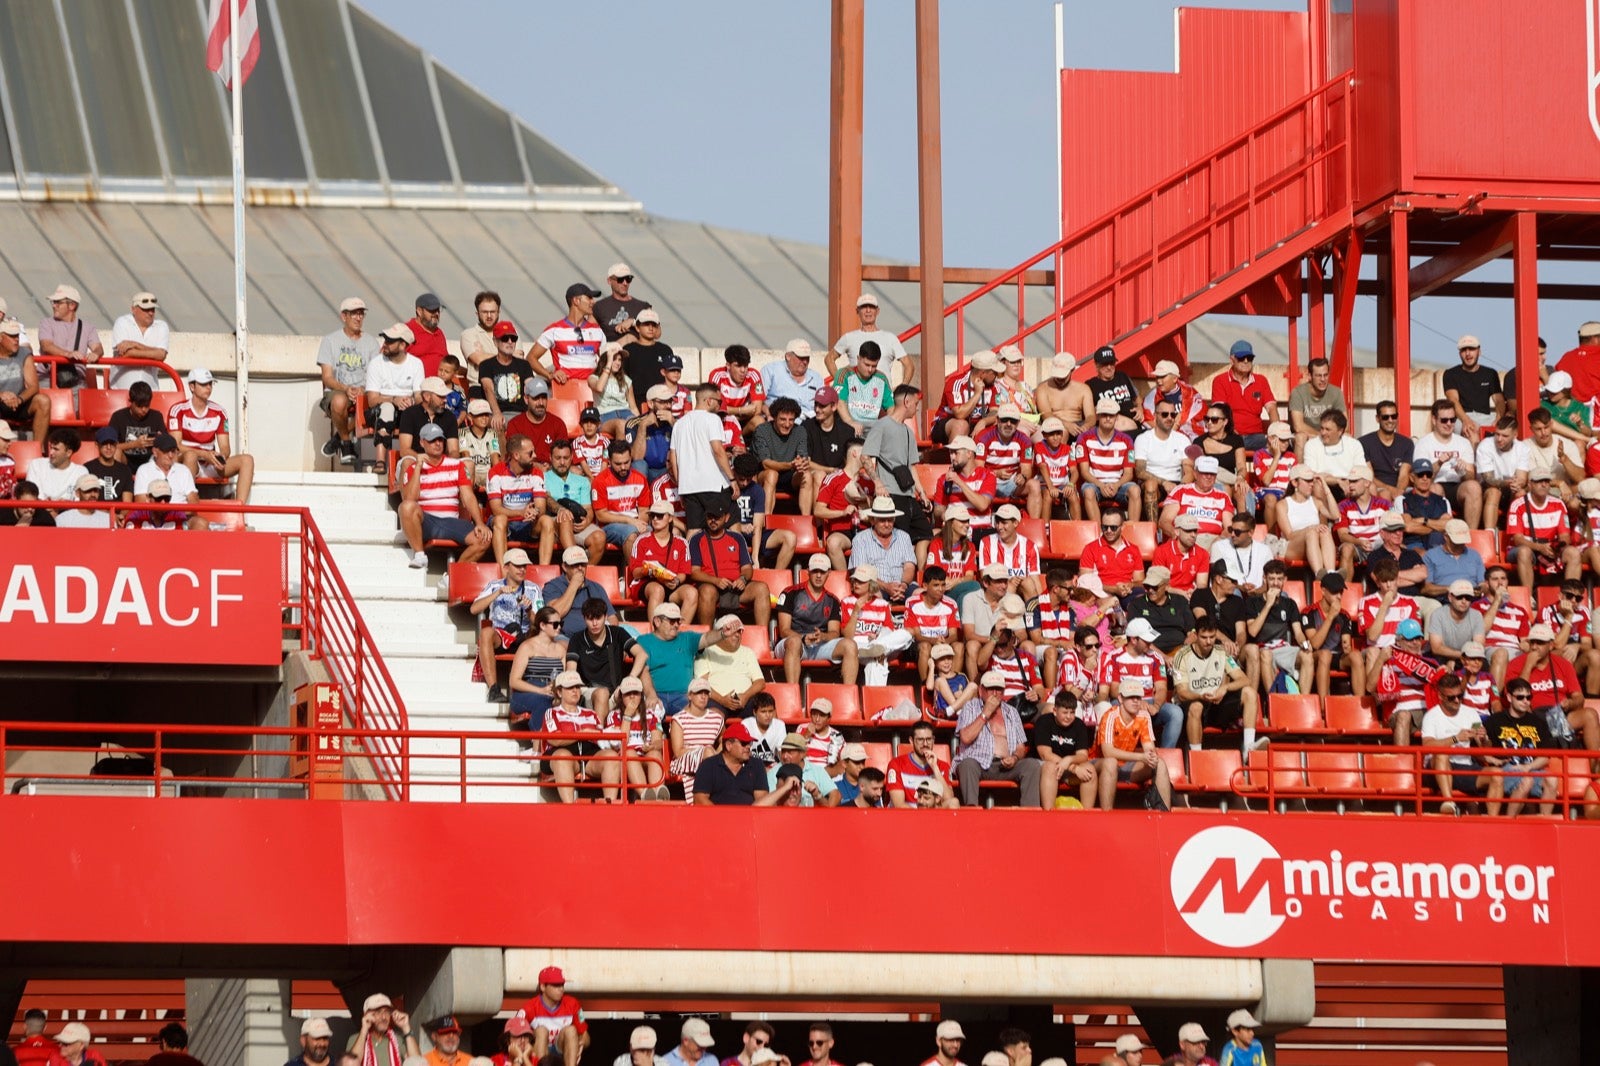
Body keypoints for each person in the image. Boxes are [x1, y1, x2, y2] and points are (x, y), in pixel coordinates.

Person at [397, 423, 490, 568]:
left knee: (484, 539)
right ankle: (420, 555)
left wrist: (479, 523)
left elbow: (468, 496)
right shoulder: (413, 468)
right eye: (432, 440)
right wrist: (418, 468)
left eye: (440, 440)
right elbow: (410, 499)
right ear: (422, 442)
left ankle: (453, 575)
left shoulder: (457, 465)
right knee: (406, 507)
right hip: (427, 521)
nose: (437, 443)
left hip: (451, 521)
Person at [166, 367, 255, 503]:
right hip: (187, 462)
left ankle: (239, 511)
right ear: (192, 387)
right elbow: (175, 446)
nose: (208, 387)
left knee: (247, 460)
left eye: (210, 384)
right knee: (191, 456)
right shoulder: (178, 410)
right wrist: (203, 454)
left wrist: (221, 457)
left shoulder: (219, 412)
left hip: (210, 463)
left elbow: (225, 447)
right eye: (203, 384)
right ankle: (186, 510)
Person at [1172, 617, 1259, 751]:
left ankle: (1249, 748)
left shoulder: (1221, 652)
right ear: (1195, 635)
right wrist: (1201, 696)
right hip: (1192, 703)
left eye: (1212, 637)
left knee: (1250, 693)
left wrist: (1225, 688)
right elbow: (1182, 693)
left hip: (1215, 702)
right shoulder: (1182, 656)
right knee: (1196, 707)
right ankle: (1196, 754)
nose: (1208, 642)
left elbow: (1244, 679)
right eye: (1204, 637)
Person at [1481, 679, 1558, 818]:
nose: (1525, 701)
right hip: (1506, 770)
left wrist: (1528, 767)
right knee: (1526, 780)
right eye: (1520, 697)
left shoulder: (1538, 722)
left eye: (1528, 697)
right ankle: (1510, 821)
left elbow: (1546, 757)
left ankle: (1545, 820)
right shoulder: (1495, 720)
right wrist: (1493, 760)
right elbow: (1482, 751)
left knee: (1552, 779)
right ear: (1509, 697)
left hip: (1531, 769)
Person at [775, 554, 857, 683]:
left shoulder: (833, 600)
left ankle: (848, 694)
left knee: (850, 645)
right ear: (808, 571)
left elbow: (835, 632)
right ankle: (792, 692)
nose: (819, 575)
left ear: (829, 573)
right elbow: (784, 630)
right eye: (815, 571)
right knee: (793, 643)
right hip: (792, 643)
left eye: (822, 572)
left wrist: (823, 636)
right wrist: (803, 638)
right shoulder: (790, 593)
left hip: (820, 645)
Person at [316, 297, 379, 464]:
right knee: (338, 401)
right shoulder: (330, 341)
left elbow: (377, 374)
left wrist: (364, 389)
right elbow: (327, 377)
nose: (358, 318)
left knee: (375, 403)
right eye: (354, 314)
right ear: (344, 317)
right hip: (339, 389)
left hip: (365, 391)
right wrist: (345, 388)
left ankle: (339, 439)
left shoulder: (371, 343)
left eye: (361, 314)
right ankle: (345, 441)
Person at [473, 549, 540, 703]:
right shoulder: (494, 585)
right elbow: (474, 609)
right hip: (501, 636)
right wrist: (497, 594)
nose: (522, 570)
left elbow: (541, 623)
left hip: (525, 637)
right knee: (485, 633)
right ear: (506, 567)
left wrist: (529, 610)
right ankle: (494, 689)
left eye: (525, 566)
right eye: (518, 566)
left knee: (539, 634)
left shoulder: (533, 589)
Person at [1095, 680, 1174, 810]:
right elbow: (1108, 752)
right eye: (1131, 697)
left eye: (1138, 697)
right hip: (1101, 764)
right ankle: (1106, 814)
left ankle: (1163, 813)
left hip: (1126, 766)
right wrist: (1141, 757)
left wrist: (1151, 757)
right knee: (1111, 763)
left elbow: (1149, 748)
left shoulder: (1143, 716)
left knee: (1159, 763)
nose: (1135, 701)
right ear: (1120, 698)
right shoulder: (1110, 716)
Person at [672, 383, 736, 527]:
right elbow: (718, 450)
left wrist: (680, 486)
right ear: (709, 401)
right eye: (719, 401)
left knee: (694, 529)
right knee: (729, 525)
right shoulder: (713, 419)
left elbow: (673, 458)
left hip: (688, 487)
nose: (720, 405)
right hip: (713, 485)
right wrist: (732, 479)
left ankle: (689, 551)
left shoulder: (679, 424)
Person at [1412, 400, 1481, 527]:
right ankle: (1436, 535)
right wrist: (1439, 463)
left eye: (1452, 420)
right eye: (1444, 420)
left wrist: (1462, 471)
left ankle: (1472, 535)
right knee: (1433, 489)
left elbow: (1471, 477)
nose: (1449, 424)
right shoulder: (1423, 443)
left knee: (1474, 487)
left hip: (1457, 487)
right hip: (1434, 484)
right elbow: (1421, 478)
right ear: (1434, 420)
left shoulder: (1463, 443)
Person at [1508, 465, 1581, 587]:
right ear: (1530, 484)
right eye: (1539, 481)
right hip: (1526, 547)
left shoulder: (1558, 504)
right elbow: (1517, 539)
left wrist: (1557, 547)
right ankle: (1528, 597)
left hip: (1551, 548)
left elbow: (1565, 536)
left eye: (1546, 481)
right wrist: (1539, 547)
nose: (1544, 484)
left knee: (1573, 553)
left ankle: (1571, 594)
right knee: (1524, 552)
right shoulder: (1518, 505)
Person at [1075, 398, 1139, 523]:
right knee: (1088, 490)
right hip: (1095, 483)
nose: (1108, 418)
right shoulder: (1084, 438)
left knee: (1135, 490)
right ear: (1098, 416)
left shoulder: (1126, 440)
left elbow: (1128, 473)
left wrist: (1116, 485)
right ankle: (1098, 531)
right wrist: (1101, 485)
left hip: (1119, 484)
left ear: (1116, 417)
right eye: (1104, 415)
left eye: (1111, 415)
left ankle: (1133, 531)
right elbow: (1084, 472)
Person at [830, 292, 914, 385]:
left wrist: (901, 388)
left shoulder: (890, 338)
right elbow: (829, 359)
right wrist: (842, 382)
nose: (868, 310)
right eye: (864, 307)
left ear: (877, 311)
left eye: (871, 307)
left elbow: (909, 365)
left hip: (883, 396)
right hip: (856, 396)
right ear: (857, 311)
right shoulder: (848, 337)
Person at [629, 500, 695, 618]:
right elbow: (635, 572)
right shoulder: (642, 540)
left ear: (670, 518)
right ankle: (655, 633)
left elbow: (683, 573)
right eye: (652, 515)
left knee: (692, 592)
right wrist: (649, 570)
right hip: (648, 584)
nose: (655, 519)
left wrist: (676, 582)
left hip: (671, 585)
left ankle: (681, 631)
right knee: (657, 590)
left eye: (659, 515)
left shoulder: (681, 543)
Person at [529, 283, 605, 384]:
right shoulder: (554, 330)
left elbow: (607, 361)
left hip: (592, 390)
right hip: (565, 389)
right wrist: (549, 375)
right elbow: (531, 358)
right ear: (576, 301)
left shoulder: (597, 331)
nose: (593, 302)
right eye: (589, 298)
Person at [1033, 690, 1098, 809]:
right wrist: (1073, 767)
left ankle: (1087, 815)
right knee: (1050, 767)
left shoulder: (1079, 725)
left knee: (1090, 770)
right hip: (1045, 767)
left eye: (1072, 712)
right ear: (1054, 711)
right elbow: (1045, 755)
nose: (1068, 717)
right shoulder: (1044, 722)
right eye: (1065, 712)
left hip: (1067, 768)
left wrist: (1069, 760)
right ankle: (1049, 813)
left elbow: (1083, 755)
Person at [514, 966, 589, 1066]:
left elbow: (586, 1037)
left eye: (562, 985)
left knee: (571, 1030)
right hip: (538, 1051)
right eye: (556, 985)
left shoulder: (573, 1004)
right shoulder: (529, 1008)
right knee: (541, 1031)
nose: (561, 989)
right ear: (543, 987)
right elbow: (513, 1038)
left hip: (562, 1049)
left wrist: (581, 1043)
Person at [849, 497, 918, 605]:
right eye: (882, 520)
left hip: (902, 586)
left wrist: (903, 585)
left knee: (923, 595)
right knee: (876, 599)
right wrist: (886, 587)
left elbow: (909, 567)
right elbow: (860, 572)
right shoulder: (860, 539)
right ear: (872, 520)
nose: (887, 524)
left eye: (890, 520)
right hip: (875, 586)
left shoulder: (904, 537)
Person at [1210, 341, 1277, 448]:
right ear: (1232, 360)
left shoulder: (1261, 381)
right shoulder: (1220, 381)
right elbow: (1219, 412)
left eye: (1249, 358)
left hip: (1256, 436)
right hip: (1230, 435)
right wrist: (1231, 432)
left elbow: (1272, 408)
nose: (1246, 361)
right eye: (1241, 358)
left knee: (1281, 443)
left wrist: (1276, 433)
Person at [1274, 466, 1338, 576]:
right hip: (1291, 546)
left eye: (1312, 480)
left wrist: (1325, 487)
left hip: (1313, 544)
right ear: (1295, 482)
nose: (1311, 484)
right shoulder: (1283, 505)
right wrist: (1310, 528)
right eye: (1307, 481)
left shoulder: (1316, 502)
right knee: (1312, 533)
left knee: (1325, 531)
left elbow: (1335, 515)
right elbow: (1289, 535)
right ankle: (1319, 575)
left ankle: (1331, 574)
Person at [749, 396, 810, 510]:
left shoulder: (800, 431)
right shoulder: (762, 430)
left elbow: (802, 457)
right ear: (774, 417)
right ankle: (765, 522)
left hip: (790, 476)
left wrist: (802, 463)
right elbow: (765, 463)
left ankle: (806, 523)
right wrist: (791, 465)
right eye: (783, 419)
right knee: (772, 474)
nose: (787, 424)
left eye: (791, 420)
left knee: (806, 475)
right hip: (765, 474)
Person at [1133, 396, 1190, 520]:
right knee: (1150, 485)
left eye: (1172, 415)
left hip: (1177, 484)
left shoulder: (1182, 439)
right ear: (1155, 415)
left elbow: (1189, 470)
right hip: (1154, 483)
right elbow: (1139, 471)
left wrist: (1180, 487)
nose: (1169, 418)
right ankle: (1153, 530)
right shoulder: (1143, 439)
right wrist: (1164, 482)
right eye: (1164, 414)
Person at [1441, 335, 1504, 440]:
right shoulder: (1450, 374)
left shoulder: (1490, 373)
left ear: (1479, 351)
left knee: (1506, 432)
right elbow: (1453, 400)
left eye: (1471, 349)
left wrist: (1499, 418)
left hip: (1487, 418)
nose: (1468, 353)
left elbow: (1499, 400)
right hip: (1462, 418)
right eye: (1464, 350)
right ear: (1459, 354)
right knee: (1471, 432)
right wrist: (1466, 420)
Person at [107, 290, 172, 390]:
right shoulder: (122, 322)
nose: (150, 313)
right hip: (122, 389)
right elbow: (124, 354)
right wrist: (153, 354)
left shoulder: (161, 326)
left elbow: (161, 355)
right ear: (134, 309)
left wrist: (135, 345)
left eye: (153, 309)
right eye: (146, 309)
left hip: (150, 390)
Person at [1160, 456, 1234, 541]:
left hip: (1214, 540)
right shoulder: (1180, 491)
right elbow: (1164, 521)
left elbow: (1229, 528)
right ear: (1195, 474)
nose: (1209, 476)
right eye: (1205, 473)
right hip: (1185, 540)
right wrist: (1176, 536)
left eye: (1212, 473)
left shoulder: (1223, 497)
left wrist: (1218, 542)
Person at [37, 284, 104, 371]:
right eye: (53, 302)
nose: (54, 306)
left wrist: (95, 354)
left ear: (72, 305)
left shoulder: (88, 327)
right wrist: (68, 354)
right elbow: (46, 346)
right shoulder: (46, 323)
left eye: (58, 302)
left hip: (77, 380)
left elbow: (98, 348)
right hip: (48, 378)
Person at [1286, 357, 1346, 451]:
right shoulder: (1298, 393)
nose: (1323, 379)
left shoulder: (1336, 392)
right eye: (1318, 375)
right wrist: (1322, 436)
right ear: (1310, 376)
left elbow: (1344, 424)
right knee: (1300, 438)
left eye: (1325, 375)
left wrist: (1329, 436)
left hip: (1329, 436)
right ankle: (1300, 466)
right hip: (1307, 436)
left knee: (1347, 436)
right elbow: (1298, 426)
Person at [1356, 400, 1412, 499]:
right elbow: (1369, 476)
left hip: (1400, 489)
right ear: (1378, 419)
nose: (1390, 420)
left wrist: (1398, 493)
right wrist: (1390, 490)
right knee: (1385, 494)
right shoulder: (1364, 443)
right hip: (1375, 489)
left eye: (1394, 416)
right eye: (1385, 417)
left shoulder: (1407, 443)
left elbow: (1404, 475)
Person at [832, 340, 895, 430]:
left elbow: (891, 407)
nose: (870, 369)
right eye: (867, 364)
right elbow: (840, 403)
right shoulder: (845, 374)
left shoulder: (882, 379)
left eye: (874, 366)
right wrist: (851, 422)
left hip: (873, 430)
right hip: (848, 427)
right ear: (858, 359)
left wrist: (889, 426)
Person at [762, 338, 826, 420]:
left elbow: (824, 404)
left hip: (810, 424)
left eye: (807, 358)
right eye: (801, 358)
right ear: (788, 356)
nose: (805, 362)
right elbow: (759, 401)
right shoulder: (771, 371)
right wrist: (768, 415)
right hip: (779, 422)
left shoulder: (816, 378)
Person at [348, 994, 419, 1066]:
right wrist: (364, 1029)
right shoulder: (356, 1039)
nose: (384, 1017)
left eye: (387, 1012)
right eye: (378, 1012)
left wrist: (406, 1027)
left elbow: (418, 1064)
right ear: (366, 1015)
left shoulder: (397, 1040)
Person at [1036, 351, 1094, 437]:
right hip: (1053, 427)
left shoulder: (1083, 389)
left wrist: (1086, 426)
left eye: (1063, 377)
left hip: (1078, 426)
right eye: (1057, 376)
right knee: (1062, 432)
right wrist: (1066, 425)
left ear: (1072, 370)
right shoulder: (1043, 388)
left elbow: (1091, 415)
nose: (1060, 379)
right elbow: (1046, 415)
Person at [594, 263, 651, 343]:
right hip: (609, 351)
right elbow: (589, 333)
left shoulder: (643, 306)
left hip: (636, 352)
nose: (625, 283)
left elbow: (657, 332)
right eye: (620, 279)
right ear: (609, 281)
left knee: (630, 338)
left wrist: (634, 322)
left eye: (628, 279)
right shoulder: (599, 307)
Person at [83, 426, 133, 502]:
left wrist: (120, 514)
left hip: (118, 513)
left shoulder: (125, 470)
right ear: (97, 445)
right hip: (95, 513)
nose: (108, 447)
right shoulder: (87, 469)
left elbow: (127, 504)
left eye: (112, 443)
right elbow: (86, 501)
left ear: (117, 444)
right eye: (104, 443)